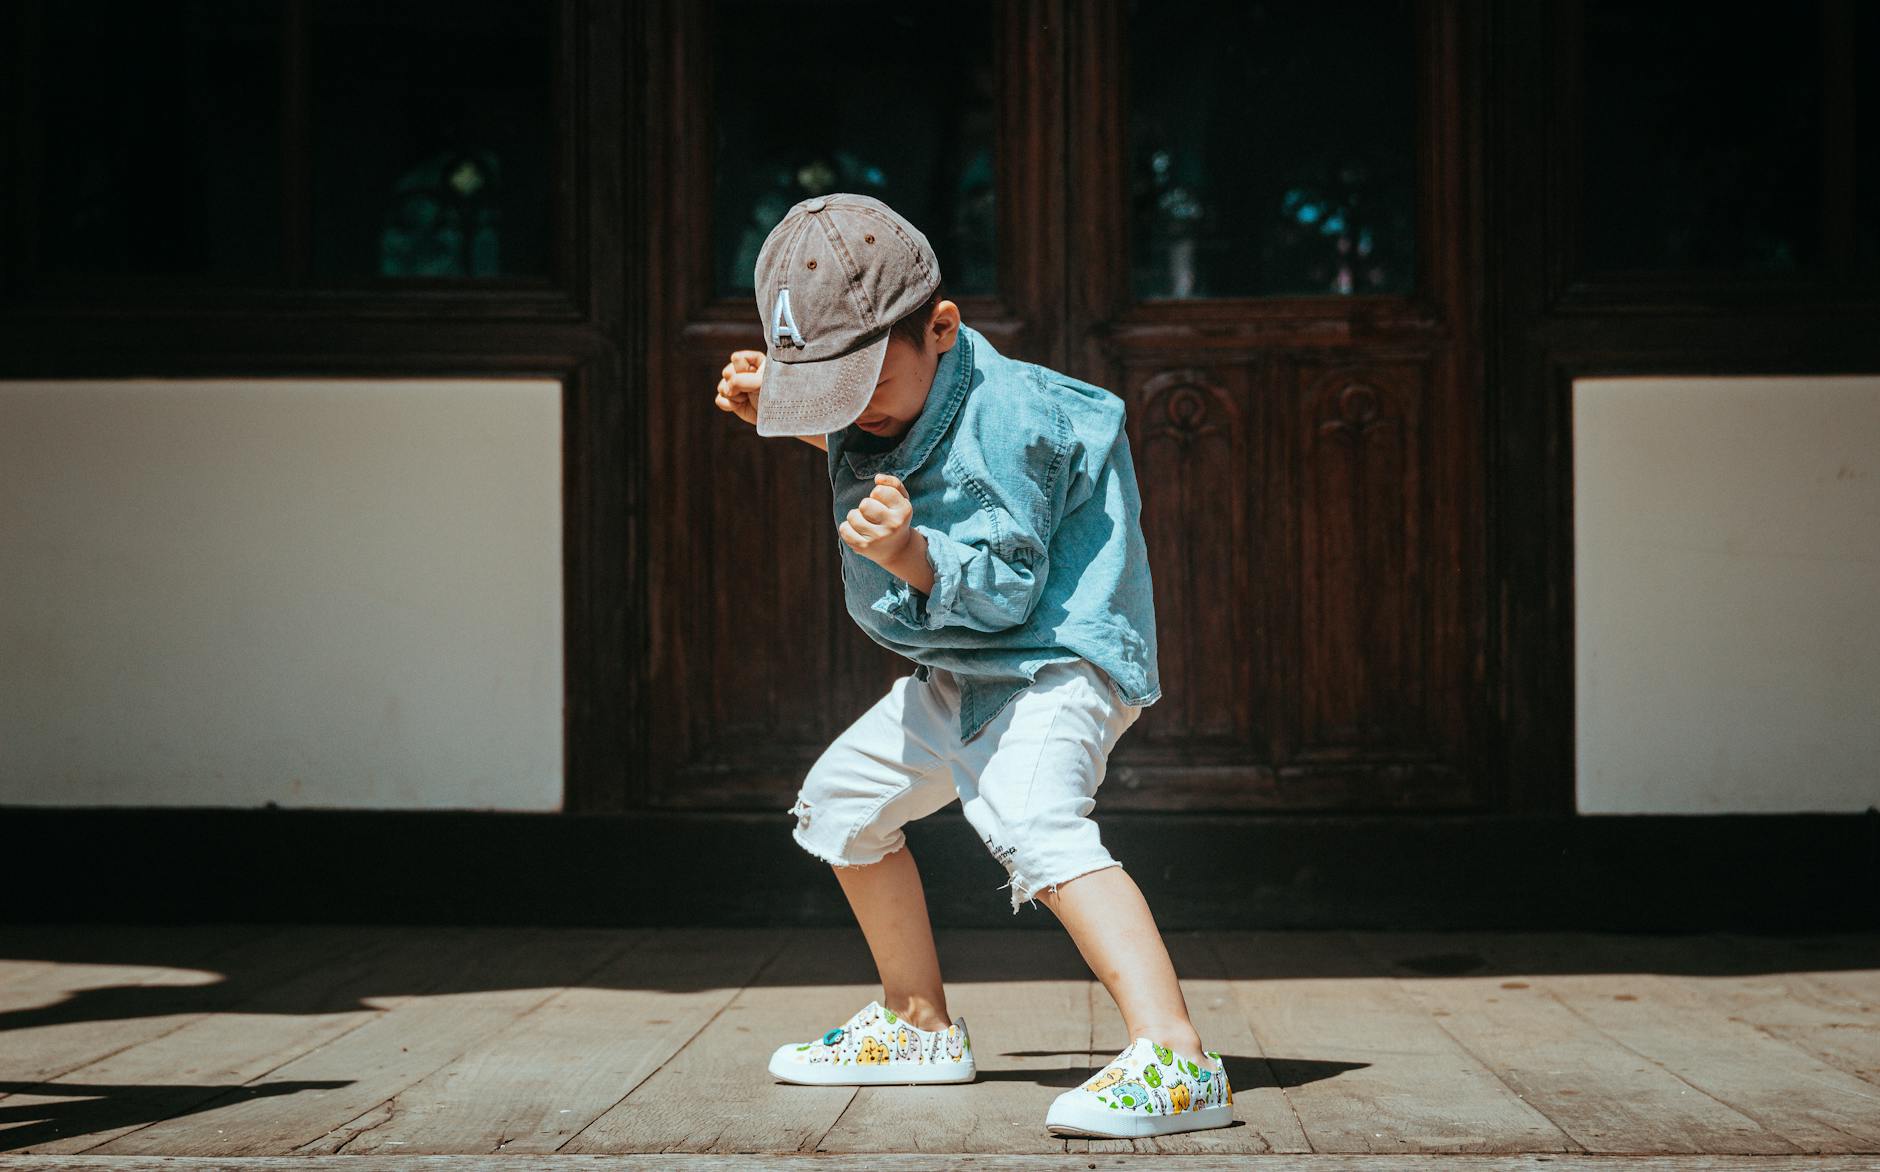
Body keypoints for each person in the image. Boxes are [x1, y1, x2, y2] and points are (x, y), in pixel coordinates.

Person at [711, 192, 1232, 1138]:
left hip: (1054, 663)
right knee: (841, 806)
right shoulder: (899, 392)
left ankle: (1178, 1057)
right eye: (823, 394)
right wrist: (782, 413)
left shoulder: (1011, 425)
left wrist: (910, 557)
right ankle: (918, 1025)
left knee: (1034, 820)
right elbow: (876, 426)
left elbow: (1007, 593)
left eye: (858, 385)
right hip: (966, 668)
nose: (850, 417)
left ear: (941, 327)